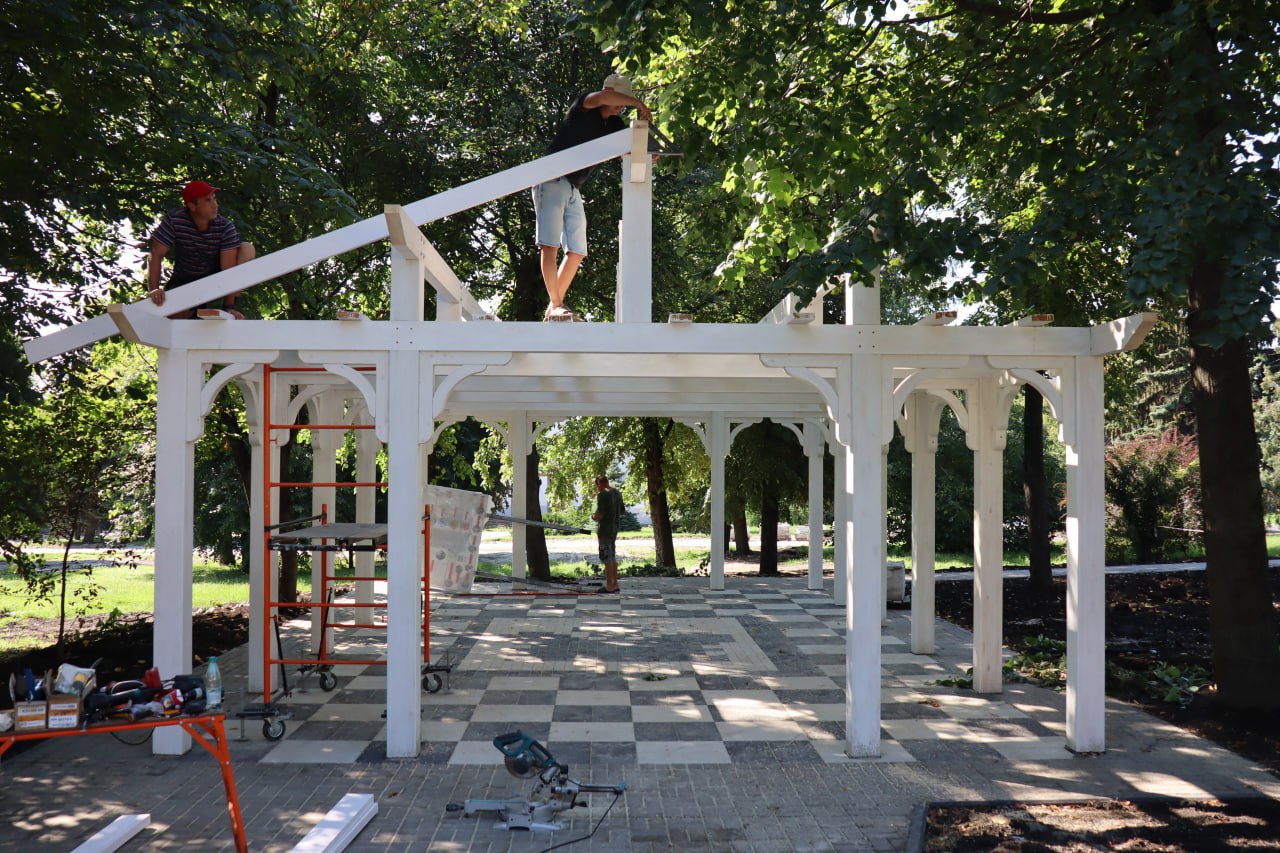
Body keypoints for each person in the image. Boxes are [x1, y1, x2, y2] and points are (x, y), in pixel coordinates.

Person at [534, 74, 652, 321]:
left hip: (573, 187)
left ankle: (553, 308)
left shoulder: (613, 125)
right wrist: (638, 103)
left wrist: (649, 148)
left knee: (577, 251)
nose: (622, 105)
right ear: (608, 92)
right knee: (550, 245)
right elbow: (603, 98)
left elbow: (634, 147)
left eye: (625, 101)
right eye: (621, 98)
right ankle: (557, 304)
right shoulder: (585, 105)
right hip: (552, 179)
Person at [147, 180, 255, 319]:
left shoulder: (225, 227)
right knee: (170, 314)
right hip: (183, 280)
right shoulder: (176, 219)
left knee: (247, 249)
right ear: (192, 206)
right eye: (208, 200)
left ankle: (225, 307)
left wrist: (229, 307)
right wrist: (154, 290)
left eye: (214, 199)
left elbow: (229, 271)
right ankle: (189, 313)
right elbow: (156, 254)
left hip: (213, 282)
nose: (214, 205)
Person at [592, 475, 625, 593]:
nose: (597, 488)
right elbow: (621, 511)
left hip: (605, 531)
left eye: (597, 485)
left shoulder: (603, 494)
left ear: (600, 484)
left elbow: (600, 514)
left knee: (607, 558)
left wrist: (594, 516)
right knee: (612, 556)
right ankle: (615, 584)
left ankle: (609, 586)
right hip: (614, 529)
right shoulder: (617, 493)